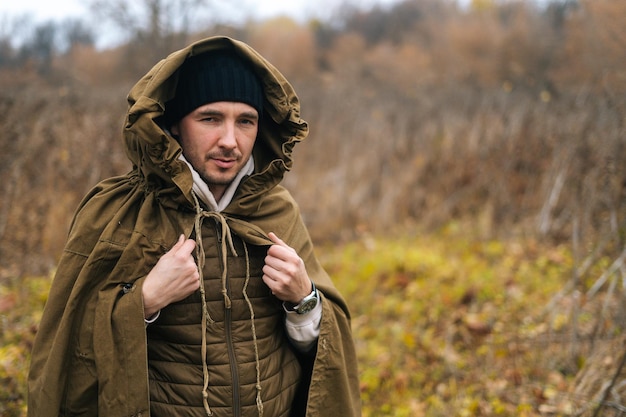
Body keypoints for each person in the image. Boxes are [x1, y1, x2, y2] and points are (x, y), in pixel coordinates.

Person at [27, 36, 361, 417]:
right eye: (210, 119)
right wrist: (145, 300)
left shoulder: (277, 210)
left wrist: (304, 301)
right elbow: (69, 350)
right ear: (173, 125)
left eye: (246, 121)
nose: (230, 141)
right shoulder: (118, 213)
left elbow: (320, 360)